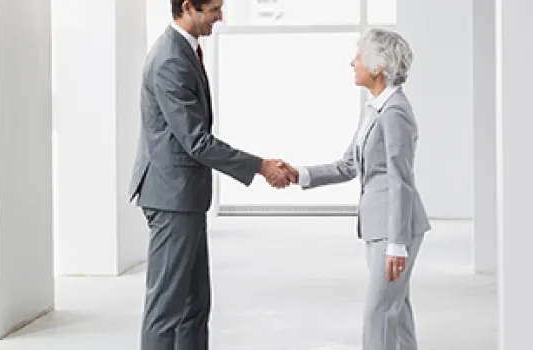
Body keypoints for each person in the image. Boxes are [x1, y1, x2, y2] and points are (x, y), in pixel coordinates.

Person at [128, 1, 293, 349]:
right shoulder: (169, 60)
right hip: (172, 198)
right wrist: (260, 166)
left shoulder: (184, 51)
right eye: (214, 9)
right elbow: (196, 141)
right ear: (188, 7)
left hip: (185, 196)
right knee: (166, 309)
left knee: (195, 304)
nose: (221, 16)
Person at [279, 28, 431, 350]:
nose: (352, 63)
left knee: (379, 312)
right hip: (379, 225)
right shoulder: (374, 109)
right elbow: (348, 165)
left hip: (394, 228)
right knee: (396, 309)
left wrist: (397, 244)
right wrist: (300, 174)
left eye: (358, 57)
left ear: (378, 66)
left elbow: (399, 180)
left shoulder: (394, 113)